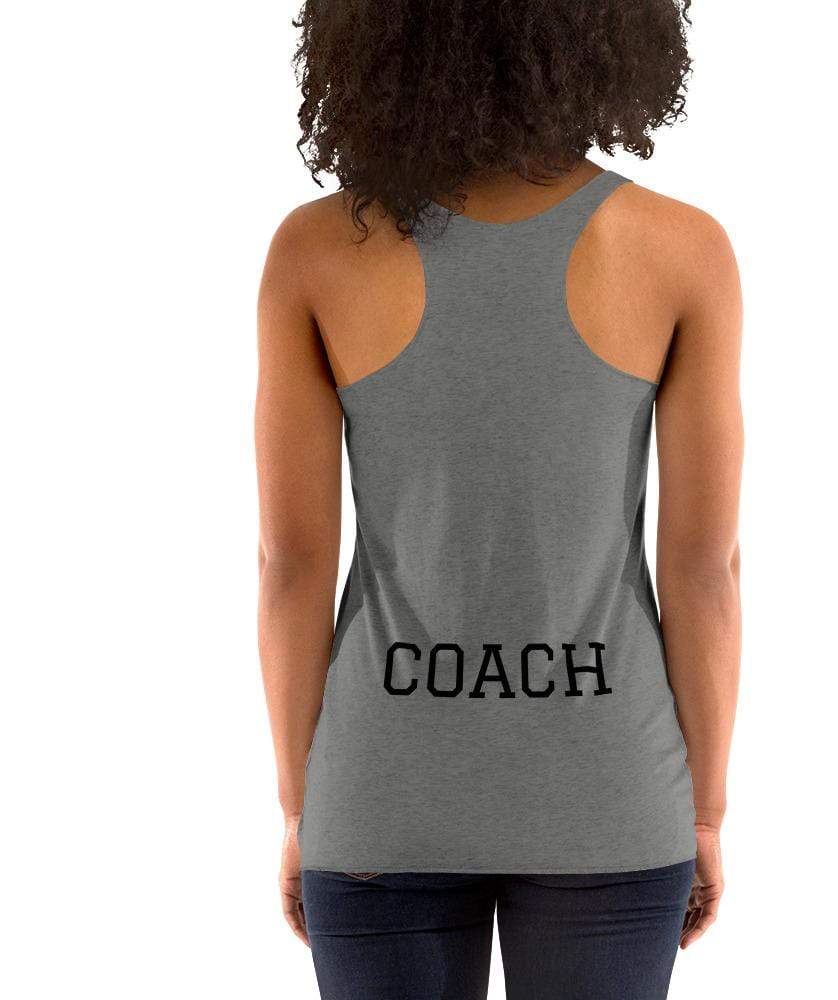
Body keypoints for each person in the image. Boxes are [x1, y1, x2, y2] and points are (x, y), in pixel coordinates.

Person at [255, 2, 742, 997]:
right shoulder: (680, 248)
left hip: (381, 796)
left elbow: (290, 567)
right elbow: (704, 570)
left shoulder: (317, 249)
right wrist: (705, 814)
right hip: (608, 796)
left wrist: (305, 809)